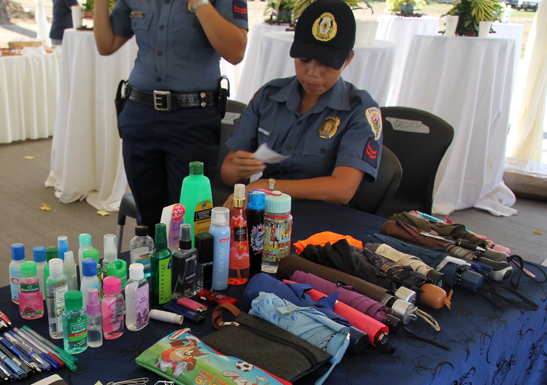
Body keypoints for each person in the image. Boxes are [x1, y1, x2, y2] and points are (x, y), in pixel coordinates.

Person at [92, 0, 249, 236]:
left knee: (189, 223)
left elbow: (236, 52)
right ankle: (154, 270)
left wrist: (200, 4)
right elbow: (106, 45)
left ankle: (187, 273)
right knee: (149, 221)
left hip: (192, 119)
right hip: (140, 115)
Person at [221, 0, 382, 207]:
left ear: (347, 59)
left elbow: (342, 189)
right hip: (264, 215)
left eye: (326, 64)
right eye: (304, 59)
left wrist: (266, 186)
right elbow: (227, 172)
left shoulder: (359, 109)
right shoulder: (269, 97)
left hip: (322, 224)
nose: (313, 73)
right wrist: (238, 169)